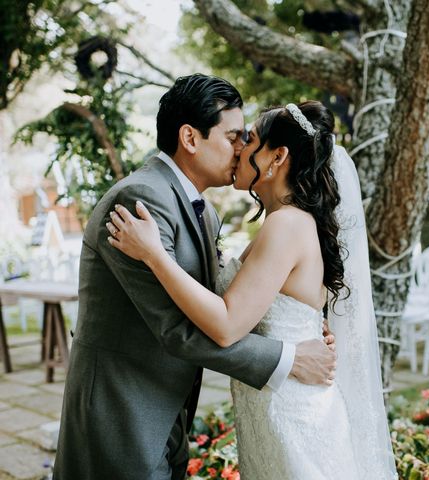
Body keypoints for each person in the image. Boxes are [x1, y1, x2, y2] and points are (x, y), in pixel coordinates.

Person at [53, 75, 337, 480]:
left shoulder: (206, 211)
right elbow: (177, 329)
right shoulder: (140, 201)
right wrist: (289, 357)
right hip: (122, 410)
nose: (241, 149)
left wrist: (301, 326)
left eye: (247, 139)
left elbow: (225, 302)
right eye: (234, 136)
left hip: (166, 408)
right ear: (190, 138)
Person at [107, 100, 398, 478]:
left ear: (278, 157)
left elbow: (228, 324)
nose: (241, 147)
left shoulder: (287, 225)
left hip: (292, 414)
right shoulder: (287, 221)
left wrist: (154, 255)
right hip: (277, 405)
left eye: (251, 138)